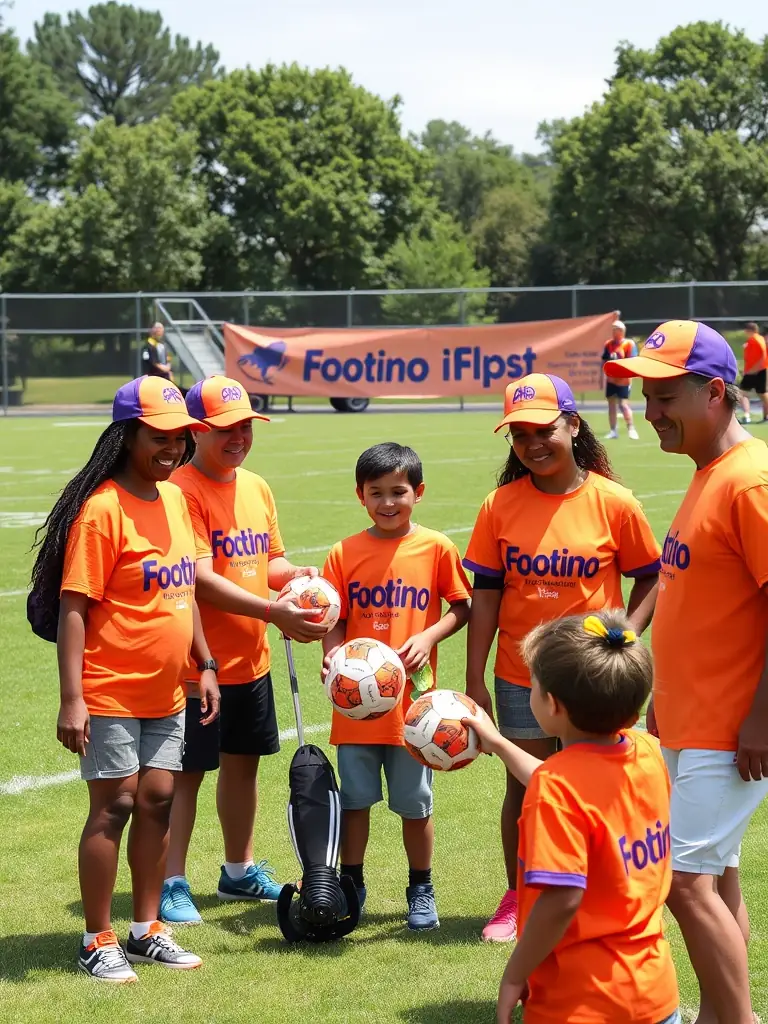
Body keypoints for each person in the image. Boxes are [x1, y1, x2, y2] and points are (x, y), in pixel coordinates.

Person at [604, 319, 768, 1024]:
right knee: (717, 878)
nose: (652, 411)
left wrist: (762, 714)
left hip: (730, 727)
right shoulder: (711, 475)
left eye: (666, 395)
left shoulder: (750, 481)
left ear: (718, 394)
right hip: (691, 720)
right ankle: (728, 1012)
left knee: (685, 883)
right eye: (646, 395)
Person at [29, 376, 216, 984]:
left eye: (179, 436)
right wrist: (73, 699)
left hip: (167, 690)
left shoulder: (176, 501)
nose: (171, 447)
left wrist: (204, 663)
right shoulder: (102, 509)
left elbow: (182, 590)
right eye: (157, 435)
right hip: (108, 687)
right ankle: (97, 937)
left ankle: (146, 930)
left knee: (159, 802)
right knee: (115, 807)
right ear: (127, 433)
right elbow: (75, 608)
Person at [463, 372, 661, 943]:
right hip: (518, 675)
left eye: (544, 429)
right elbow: (488, 596)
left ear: (573, 425)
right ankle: (519, 897)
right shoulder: (498, 505)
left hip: (594, 676)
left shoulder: (613, 501)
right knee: (524, 790)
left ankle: (598, 891)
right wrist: (475, 678)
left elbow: (650, 577)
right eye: (519, 435)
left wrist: (623, 636)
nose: (533, 444)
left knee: (599, 786)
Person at [160, 375, 327, 925]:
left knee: (243, 766)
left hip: (251, 659)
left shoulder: (255, 486)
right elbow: (201, 580)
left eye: (246, 426)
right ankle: (171, 880)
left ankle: (238, 869)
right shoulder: (181, 491)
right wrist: (272, 611)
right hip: (195, 665)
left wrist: (294, 577)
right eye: (225, 428)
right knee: (185, 775)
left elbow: (267, 562)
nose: (239, 437)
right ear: (197, 431)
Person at [464, 610, 680, 1024]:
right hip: (654, 991)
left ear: (553, 705)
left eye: (533, 686)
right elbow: (572, 783)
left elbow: (562, 898)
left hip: (582, 1000)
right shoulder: (647, 752)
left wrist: (516, 972)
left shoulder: (556, 790)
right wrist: (498, 743)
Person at [320, 443, 471, 931]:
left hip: (415, 713)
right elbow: (333, 618)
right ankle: (351, 883)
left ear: (418, 492)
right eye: (377, 493)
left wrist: (428, 636)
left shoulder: (436, 548)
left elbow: (461, 607)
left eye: (399, 492)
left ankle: (420, 888)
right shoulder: (343, 552)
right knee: (356, 802)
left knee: (415, 805)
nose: (389, 502)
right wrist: (333, 655)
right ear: (361, 496)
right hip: (355, 709)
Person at [602, 319, 640, 440]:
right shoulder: (608, 344)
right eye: (613, 329)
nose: (614, 332)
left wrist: (620, 360)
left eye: (616, 329)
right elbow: (604, 359)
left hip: (623, 381)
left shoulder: (629, 344)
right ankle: (613, 430)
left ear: (622, 331)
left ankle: (631, 428)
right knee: (611, 404)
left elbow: (632, 360)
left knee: (623, 404)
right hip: (611, 380)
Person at [738, 321, 768, 424]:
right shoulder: (753, 339)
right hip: (754, 371)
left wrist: (754, 369)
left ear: (749, 330)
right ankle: (748, 415)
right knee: (760, 394)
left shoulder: (756, 339)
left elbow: (763, 355)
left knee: (741, 392)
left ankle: (747, 415)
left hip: (756, 371)